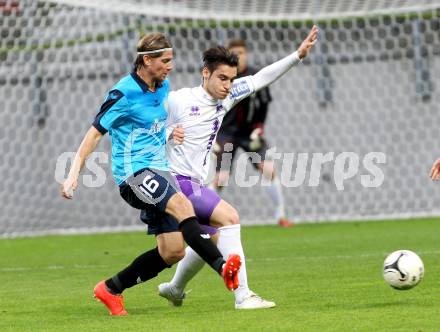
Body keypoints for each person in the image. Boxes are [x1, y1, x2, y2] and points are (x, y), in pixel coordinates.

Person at [60, 32, 241, 316]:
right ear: (147, 60)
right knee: (183, 205)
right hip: (134, 174)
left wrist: (170, 132)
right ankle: (222, 268)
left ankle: (110, 288)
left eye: (171, 60)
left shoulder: (163, 86)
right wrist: (73, 174)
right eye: (165, 61)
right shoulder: (123, 93)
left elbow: (155, 125)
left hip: (161, 172)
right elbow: (94, 135)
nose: (170, 67)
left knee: (172, 251)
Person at [159, 26, 318, 309]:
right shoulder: (178, 100)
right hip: (175, 182)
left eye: (231, 80)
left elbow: (260, 78)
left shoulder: (228, 96)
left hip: (194, 181)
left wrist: (297, 55)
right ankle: (243, 296)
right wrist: (168, 132)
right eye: (222, 78)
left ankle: (174, 288)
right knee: (230, 217)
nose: (227, 85)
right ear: (204, 73)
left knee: (212, 237)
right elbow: (147, 125)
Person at [213, 38, 294, 228]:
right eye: (234, 54)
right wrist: (213, 135)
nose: (238, 57)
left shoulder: (255, 77)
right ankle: (208, 217)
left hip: (250, 134)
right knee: (221, 178)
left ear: (246, 54)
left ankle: (280, 215)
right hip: (226, 135)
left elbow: (264, 105)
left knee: (268, 169)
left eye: (241, 53)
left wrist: (260, 128)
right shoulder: (221, 79)